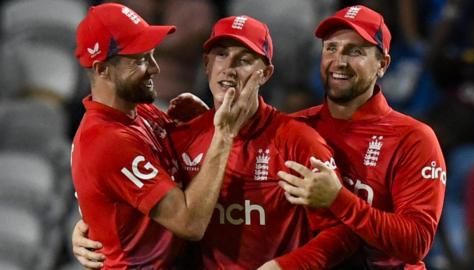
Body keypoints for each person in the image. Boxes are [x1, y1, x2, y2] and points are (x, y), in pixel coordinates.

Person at [71, 15, 361, 269]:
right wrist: (93, 231)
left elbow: (343, 233)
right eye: (221, 55)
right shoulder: (181, 137)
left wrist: (284, 267)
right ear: (206, 65)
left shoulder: (299, 143)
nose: (230, 69)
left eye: (245, 60)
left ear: (266, 74)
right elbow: (114, 188)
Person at [70, 3, 260, 269]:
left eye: (151, 56)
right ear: (103, 70)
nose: (155, 69)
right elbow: (190, 223)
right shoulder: (107, 140)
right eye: (140, 60)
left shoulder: (142, 112)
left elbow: (194, 172)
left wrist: (201, 125)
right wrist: (223, 133)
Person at [277, 5, 447, 269]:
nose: (339, 61)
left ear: (383, 64)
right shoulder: (294, 127)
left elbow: (416, 242)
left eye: (355, 51)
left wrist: (338, 199)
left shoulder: (413, 138)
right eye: (331, 48)